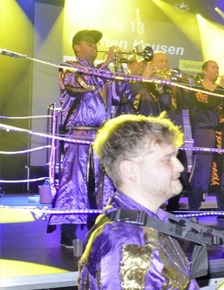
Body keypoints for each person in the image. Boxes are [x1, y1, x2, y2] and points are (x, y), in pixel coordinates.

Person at [78, 114, 197, 289]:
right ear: (130, 170)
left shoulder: (146, 224)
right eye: (166, 160)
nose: (180, 167)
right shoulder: (129, 242)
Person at [48, 29, 135, 248]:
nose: (95, 46)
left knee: (103, 186)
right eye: (90, 42)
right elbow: (81, 87)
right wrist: (106, 64)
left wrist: (121, 71)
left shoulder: (102, 72)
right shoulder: (69, 67)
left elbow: (120, 97)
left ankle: (99, 227)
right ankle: (67, 231)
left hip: (101, 137)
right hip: (80, 136)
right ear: (77, 47)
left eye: (96, 43)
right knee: (75, 183)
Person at [188, 60, 224, 214]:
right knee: (201, 170)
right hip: (205, 133)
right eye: (213, 67)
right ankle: (193, 210)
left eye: (218, 67)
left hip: (221, 134)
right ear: (204, 71)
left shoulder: (222, 91)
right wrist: (223, 88)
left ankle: (223, 209)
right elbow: (209, 102)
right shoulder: (196, 88)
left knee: (222, 170)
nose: (216, 70)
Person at [147, 52, 190, 211]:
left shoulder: (172, 83)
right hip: (161, 136)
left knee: (179, 172)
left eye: (166, 61)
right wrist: (164, 88)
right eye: (161, 61)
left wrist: (178, 88)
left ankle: (174, 207)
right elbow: (163, 104)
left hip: (177, 135)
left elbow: (184, 105)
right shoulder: (151, 82)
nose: (165, 64)